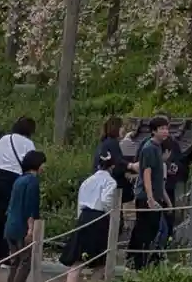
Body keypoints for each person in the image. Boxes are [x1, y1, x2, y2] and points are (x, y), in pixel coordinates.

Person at [60, 150, 118, 280]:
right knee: (100, 262)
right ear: (112, 166)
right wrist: (110, 214)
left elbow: (80, 202)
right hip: (99, 218)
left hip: (84, 217)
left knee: (78, 261)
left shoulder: (87, 181)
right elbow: (106, 201)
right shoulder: (110, 182)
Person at [0, 117, 37, 264]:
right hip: (14, 180)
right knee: (9, 218)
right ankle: (5, 257)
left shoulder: (3, 140)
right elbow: (30, 162)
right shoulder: (28, 144)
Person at [127, 115, 172, 270]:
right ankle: (137, 263)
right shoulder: (149, 148)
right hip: (146, 196)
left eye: (166, 128)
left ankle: (140, 262)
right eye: (162, 128)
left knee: (152, 229)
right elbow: (146, 173)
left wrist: (164, 199)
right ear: (154, 131)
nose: (165, 131)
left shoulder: (158, 147)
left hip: (155, 196)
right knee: (145, 230)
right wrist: (150, 198)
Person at [4, 150, 45, 282]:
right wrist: (31, 230)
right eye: (43, 163)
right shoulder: (33, 181)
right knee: (25, 262)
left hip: (10, 225)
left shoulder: (18, 180)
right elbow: (31, 207)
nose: (44, 167)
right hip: (22, 227)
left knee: (15, 262)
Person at [93, 117, 135, 208]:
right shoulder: (112, 143)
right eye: (122, 127)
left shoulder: (104, 142)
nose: (124, 130)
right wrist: (131, 166)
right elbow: (118, 162)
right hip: (113, 185)